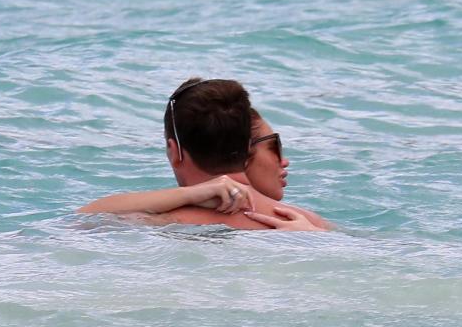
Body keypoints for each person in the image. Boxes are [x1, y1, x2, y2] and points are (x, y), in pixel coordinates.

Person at [79, 78, 330, 231]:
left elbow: (83, 219)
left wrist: (189, 194)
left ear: (174, 151)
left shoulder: (165, 223)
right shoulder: (308, 224)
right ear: (247, 149)